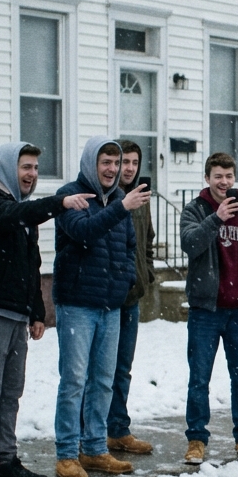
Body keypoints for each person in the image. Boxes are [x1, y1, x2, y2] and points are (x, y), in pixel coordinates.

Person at [0, 143, 92, 477]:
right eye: (25, 167)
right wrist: (59, 203)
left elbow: (30, 264)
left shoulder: (20, 211)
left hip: (15, 313)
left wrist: (36, 311)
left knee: (10, 391)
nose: (32, 174)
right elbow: (13, 216)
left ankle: (5, 460)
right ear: (7, 167)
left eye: (35, 167)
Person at [51, 137, 151, 477]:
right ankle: (67, 453)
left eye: (115, 162)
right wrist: (121, 208)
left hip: (110, 305)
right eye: (105, 162)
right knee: (74, 381)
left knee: (103, 382)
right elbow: (84, 233)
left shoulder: (120, 201)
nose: (111, 169)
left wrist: (123, 282)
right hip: (77, 304)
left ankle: (94, 448)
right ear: (91, 163)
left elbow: (129, 248)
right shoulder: (72, 196)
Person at [179, 152, 238, 465]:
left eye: (229, 176)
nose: (224, 182)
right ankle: (196, 439)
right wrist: (216, 217)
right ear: (207, 178)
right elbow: (190, 244)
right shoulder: (195, 209)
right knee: (199, 379)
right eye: (218, 176)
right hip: (205, 311)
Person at [104, 140, 156, 455]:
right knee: (100, 369)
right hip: (107, 297)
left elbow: (147, 240)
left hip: (131, 296)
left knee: (123, 367)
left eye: (135, 163)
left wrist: (147, 273)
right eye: (125, 162)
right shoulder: (106, 198)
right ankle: (93, 430)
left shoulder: (143, 200)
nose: (129, 168)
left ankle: (119, 429)